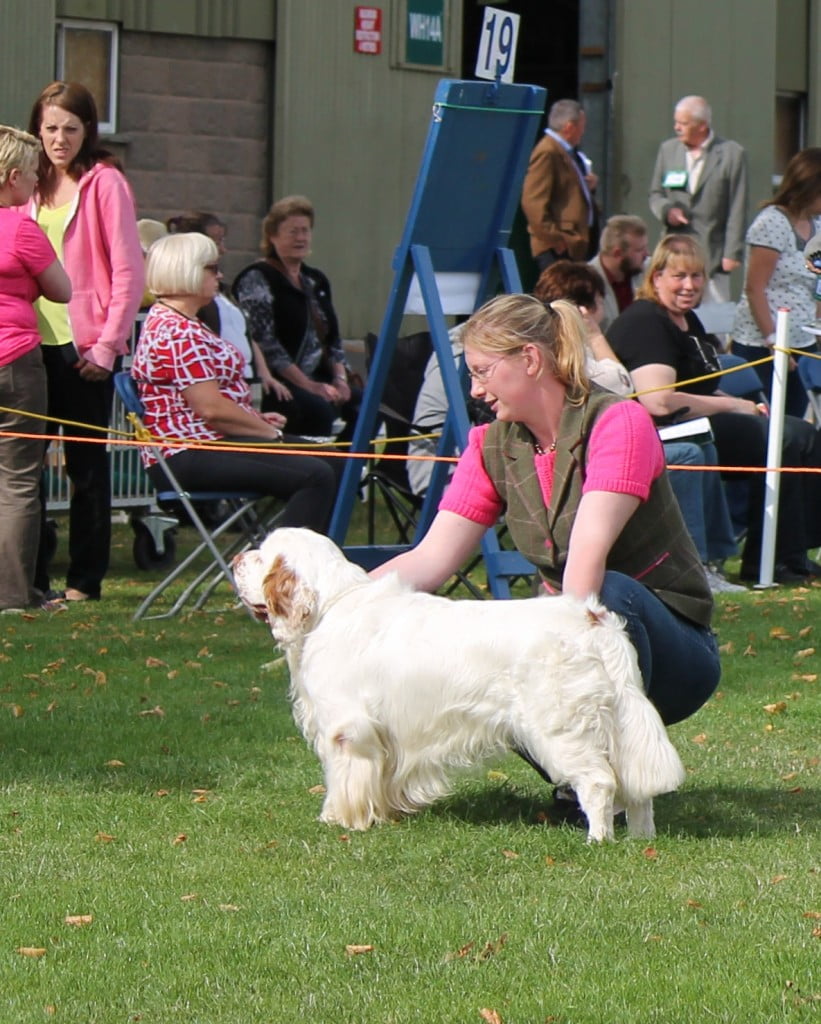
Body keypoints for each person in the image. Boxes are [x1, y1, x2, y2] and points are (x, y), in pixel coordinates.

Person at [372, 293, 720, 730]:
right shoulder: (487, 445)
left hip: (673, 648)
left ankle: (603, 762)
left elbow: (586, 561)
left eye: (482, 371)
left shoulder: (619, 422)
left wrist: (547, 666)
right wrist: (339, 598)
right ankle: (582, 770)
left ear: (531, 359)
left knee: (608, 595)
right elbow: (429, 560)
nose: (475, 389)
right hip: (572, 622)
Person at [607, 234, 821, 585]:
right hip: (663, 431)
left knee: (801, 432)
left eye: (696, 276)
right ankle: (772, 560)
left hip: (700, 419)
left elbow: (701, 385)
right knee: (784, 437)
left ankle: (790, 555)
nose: (689, 286)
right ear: (656, 277)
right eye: (679, 276)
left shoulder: (688, 320)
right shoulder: (648, 321)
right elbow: (659, 401)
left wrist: (746, 406)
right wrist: (734, 405)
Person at [533, 260, 741, 593]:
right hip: (584, 454)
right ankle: (695, 564)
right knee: (686, 453)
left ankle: (713, 559)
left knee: (702, 446)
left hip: (591, 445)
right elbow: (622, 385)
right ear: (586, 310)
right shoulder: (571, 348)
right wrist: (596, 335)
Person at [130, 232, 339, 533]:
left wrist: (253, 419)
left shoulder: (185, 322)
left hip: (211, 442)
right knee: (315, 475)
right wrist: (268, 432)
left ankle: (322, 560)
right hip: (189, 453)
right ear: (187, 270)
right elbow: (210, 409)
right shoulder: (177, 332)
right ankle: (287, 571)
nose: (221, 275)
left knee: (334, 461)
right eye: (213, 268)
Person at [26, 81, 144, 602]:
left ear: (87, 131)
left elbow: (127, 270)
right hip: (28, 346)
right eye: (50, 128)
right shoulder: (25, 185)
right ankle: (31, 578)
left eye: (70, 129)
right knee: (24, 469)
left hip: (84, 349)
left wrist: (107, 345)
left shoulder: (105, 182)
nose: (59, 138)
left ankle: (83, 581)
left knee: (86, 472)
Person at [0, 125, 72, 613]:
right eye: (31, 175)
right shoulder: (20, 227)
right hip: (13, 361)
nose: (35, 184)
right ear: (11, 177)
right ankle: (14, 595)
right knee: (17, 478)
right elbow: (62, 289)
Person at [232, 195, 361, 440]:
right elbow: (265, 342)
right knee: (318, 411)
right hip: (278, 381)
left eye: (305, 231)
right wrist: (308, 385)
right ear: (273, 236)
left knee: (365, 405)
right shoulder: (257, 278)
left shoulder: (315, 279)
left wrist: (340, 379)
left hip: (320, 374)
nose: (300, 238)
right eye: (292, 232)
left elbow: (333, 338)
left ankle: (349, 470)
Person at [731, 147, 821, 418]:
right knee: (767, 421)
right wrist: (773, 341)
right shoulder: (771, 223)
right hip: (763, 343)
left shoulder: (817, 225)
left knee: (795, 420)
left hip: (803, 340)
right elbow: (755, 287)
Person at [166, 210, 285, 403]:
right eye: (216, 242)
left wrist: (265, 374)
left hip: (246, 383)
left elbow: (246, 335)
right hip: (221, 390)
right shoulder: (191, 302)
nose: (223, 249)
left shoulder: (224, 292)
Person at [649, 95, 747, 303]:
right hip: (675, 251)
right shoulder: (668, 150)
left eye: (683, 123)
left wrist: (732, 252)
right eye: (676, 122)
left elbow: (737, 205)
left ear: (702, 126)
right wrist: (668, 211)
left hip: (713, 254)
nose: (677, 127)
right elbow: (655, 194)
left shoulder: (731, 154)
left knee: (715, 321)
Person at [520, 99, 599, 273]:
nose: (583, 132)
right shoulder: (547, 152)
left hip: (574, 244)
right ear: (570, 127)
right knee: (560, 297)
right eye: (582, 126)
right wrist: (556, 239)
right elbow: (532, 201)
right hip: (559, 248)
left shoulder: (567, 152)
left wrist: (588, 186)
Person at [588, 214, 649, 330]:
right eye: (640, 250)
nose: (646, 254)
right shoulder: (587, 282)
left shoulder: (649, 270)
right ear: (617, 253)